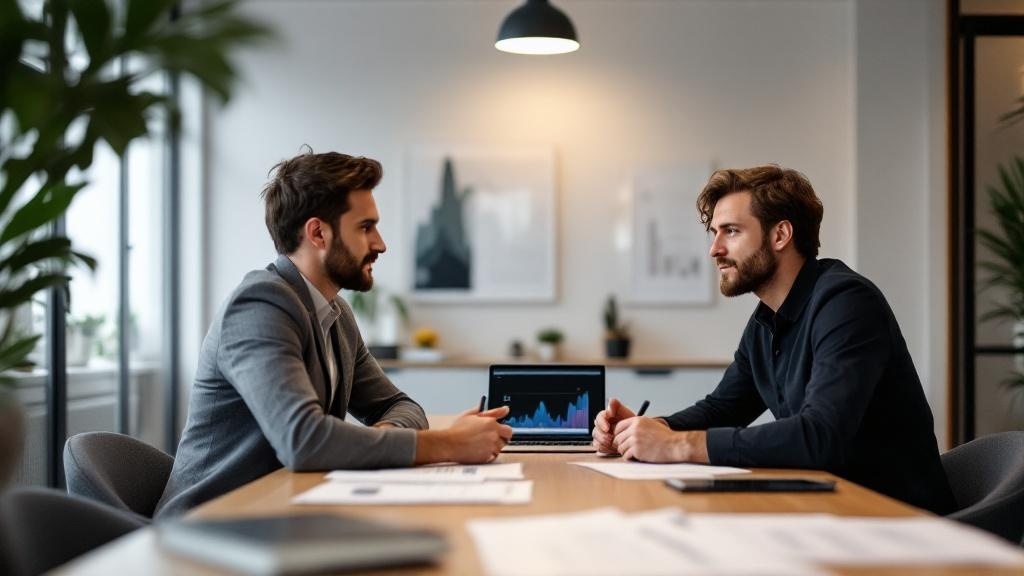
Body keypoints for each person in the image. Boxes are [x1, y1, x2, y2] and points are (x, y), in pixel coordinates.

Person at [157, 151, 512, 517]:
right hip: (207, 525)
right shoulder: (260, 304)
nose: (380, 243)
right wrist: (448, 443)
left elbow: (400, 406)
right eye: (365, 227)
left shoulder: (335, 314)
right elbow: (304, 441)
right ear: (318, 233)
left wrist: (383, 438)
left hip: (281, 512)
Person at [593, 165, 955, 514]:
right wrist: (648, 429)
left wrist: (676, 445)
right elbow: (722, 408)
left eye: (731, 231)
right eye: (714, 233)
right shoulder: (766, 321)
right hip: (827, 508)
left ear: (780, 235)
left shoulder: (847, 303)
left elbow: (819, 437)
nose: (714, 249)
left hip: (894, 521)